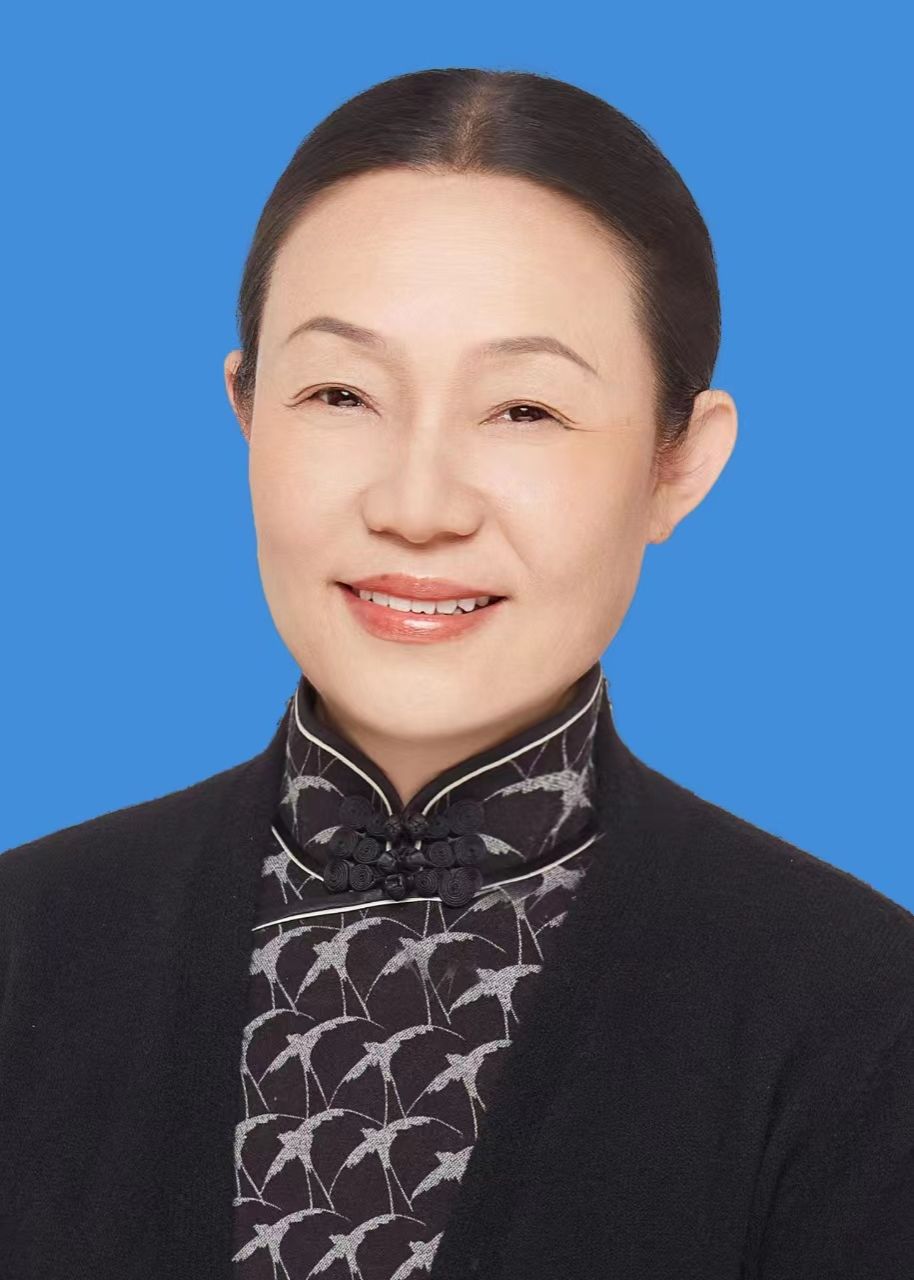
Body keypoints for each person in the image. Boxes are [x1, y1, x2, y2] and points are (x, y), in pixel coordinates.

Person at [1, 67, 912, 1280]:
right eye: (339, 392)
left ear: (678, 464)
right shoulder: (25, 944)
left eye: (523, 409)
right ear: (246, 413)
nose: (416, 504)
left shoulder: (864, 1016)